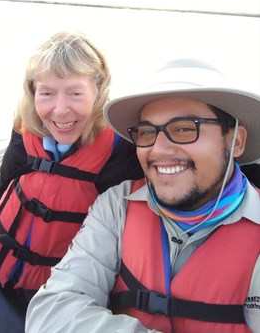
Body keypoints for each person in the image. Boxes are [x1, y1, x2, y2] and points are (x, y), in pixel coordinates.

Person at [26, 59, 260, 333]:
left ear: (237, 141)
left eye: (185, 128)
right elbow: (50, 313)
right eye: (147, 132)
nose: (159, 149)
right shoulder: (117, 206)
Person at [0, 31, 143, 332]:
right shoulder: (25, 129)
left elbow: (129, 236)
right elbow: (2, 186)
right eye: (47, 93)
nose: (60, 110)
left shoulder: (121, 150)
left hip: (55, 291)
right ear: (33, 93)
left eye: (75, 93)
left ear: (99, 91)